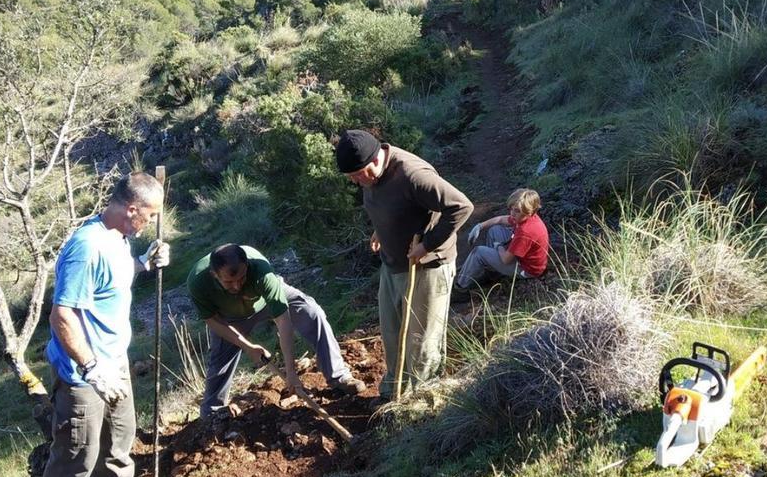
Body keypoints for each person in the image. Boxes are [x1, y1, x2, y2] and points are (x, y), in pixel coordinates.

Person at [33, 172, 171, 477]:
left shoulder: (117, 238)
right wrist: (91, 367)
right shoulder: (86, 247)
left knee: (120, 434)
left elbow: (114, 279)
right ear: (131, 209)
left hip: (114, 360)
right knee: (78, 451)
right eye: (149, 215)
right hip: (84, 372)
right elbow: (62, 316)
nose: (149, 223)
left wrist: (144, 263)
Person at [334, 129, 473, 399]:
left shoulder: (412, 175)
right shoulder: (370, 178)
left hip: (427, 267)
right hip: (393, 265)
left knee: (422, 341)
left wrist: (427, 245)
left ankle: (421, 401)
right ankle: (394, 392)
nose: (354, 182)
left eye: (356, 175)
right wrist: (380, 230)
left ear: (374, 160)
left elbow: (461, 207)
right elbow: (387, 205)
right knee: (393, 333)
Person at [186, 243, 366, 421]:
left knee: (312, 312)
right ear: (214, 275)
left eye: (241, 278)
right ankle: (213, 412)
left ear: (247, 266)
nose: (237, 286)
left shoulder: (260, 269)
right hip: (230, 317)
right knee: (220, 357)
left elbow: (283, 319)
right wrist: (248, 347)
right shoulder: (198, 282)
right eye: (228, 282)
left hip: (265, 301)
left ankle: (339, 377)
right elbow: (213, 321)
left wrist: (291, 373)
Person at [456, 188, 550, 290]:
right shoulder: (526, 217)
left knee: (478, 252)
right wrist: (480, 226)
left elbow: (506, 260)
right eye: (511, 209)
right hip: (523, 258)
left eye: (517, 211)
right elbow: (500, 219)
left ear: (529, 212)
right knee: (495, 230)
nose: (512, 214)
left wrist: (499, 246)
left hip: (526, 269)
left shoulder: (525, 232)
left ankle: (461, 287)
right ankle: (491, 271)